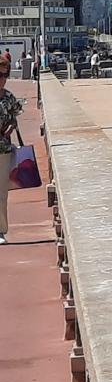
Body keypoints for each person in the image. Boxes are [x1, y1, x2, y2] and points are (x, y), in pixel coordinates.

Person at [0, 56, 22, 245]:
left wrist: (11, 127)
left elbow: (15, 116)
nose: (2, 79)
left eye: (4, 75)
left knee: (1, 192)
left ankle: (1, 231)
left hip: (3, 150)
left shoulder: (8, 98)